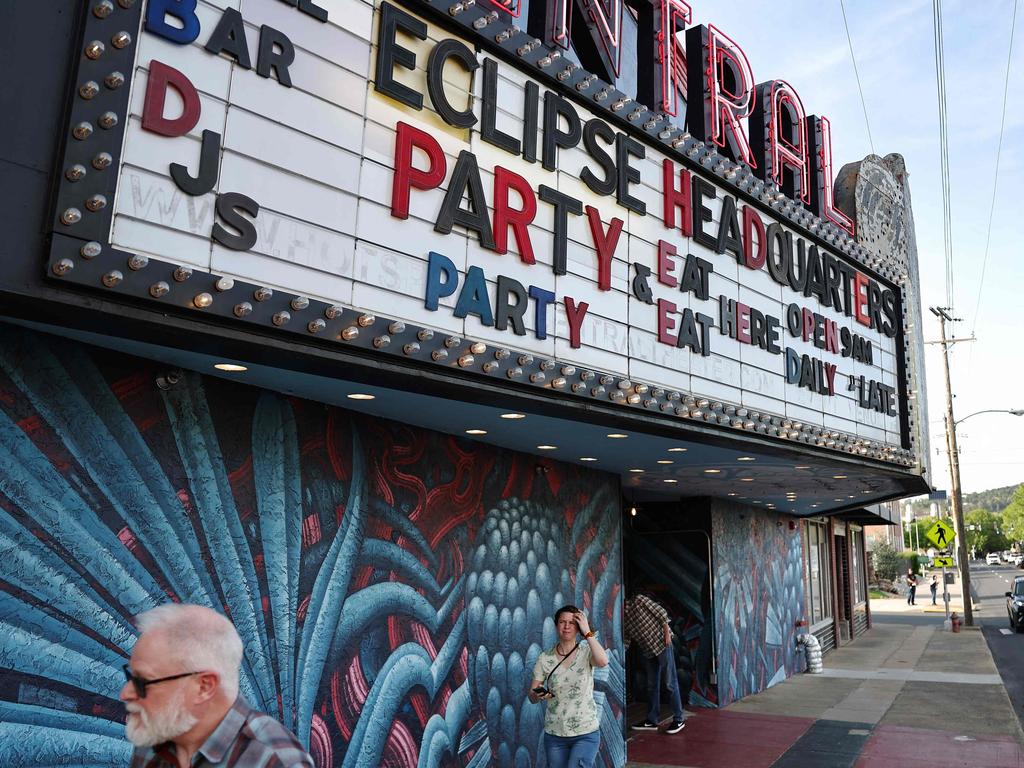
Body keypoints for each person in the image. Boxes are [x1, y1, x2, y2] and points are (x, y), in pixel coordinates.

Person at [121, 603, 313, 768]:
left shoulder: (273, 760)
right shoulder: (155, 738)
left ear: (204, 687)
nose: (126, 693)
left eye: (143, 681)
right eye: (130, 676)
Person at [528, 605, 609, 768]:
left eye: (571, 623)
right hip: (555, 734)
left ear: (578, 626)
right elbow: (532, 694)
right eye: (562, 622)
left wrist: (587, 632)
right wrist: (538, 694)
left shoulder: (586, 652)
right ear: (556, 626)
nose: (566, 626)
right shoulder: (545, 658)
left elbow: (603, 661)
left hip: (585, 732)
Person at [623, 592, 686, 734]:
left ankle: (679, 718)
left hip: (662, 644)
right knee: (651, 686)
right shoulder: (624, 619)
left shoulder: (638, 600)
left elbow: (661, 613)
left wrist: (666, 634)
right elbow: (626, 640)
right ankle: (652, 720)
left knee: (670, 682)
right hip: (648, 651)